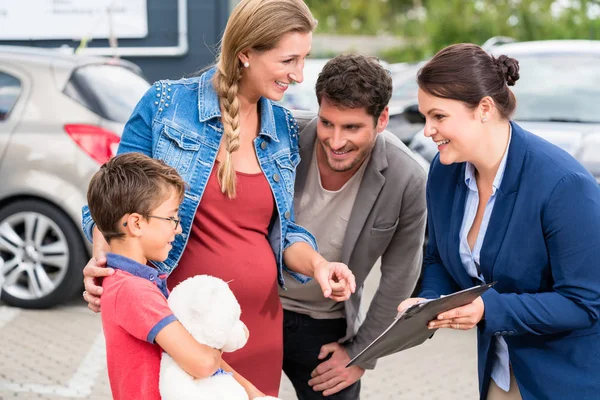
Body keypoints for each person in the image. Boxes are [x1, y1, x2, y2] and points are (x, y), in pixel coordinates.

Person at [80, 0, 356, 397]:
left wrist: (319, 265)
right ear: (246, 52)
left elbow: (283, 229)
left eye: (303, 59)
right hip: (180, 324)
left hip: (254, 328)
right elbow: (110, 201)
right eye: (288, 61)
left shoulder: (281, 125)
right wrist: (105, 264)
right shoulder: (166, 105)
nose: (298, 75)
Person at [398, 43, 600, 400]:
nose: (427, 130)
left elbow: (585, 302)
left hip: (569, 381)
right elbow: (439, 258)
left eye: (439, 116)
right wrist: (429, 302)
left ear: (485, 109)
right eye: (426, 116)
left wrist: (486, 309)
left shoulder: (563, 185)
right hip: (499, 375)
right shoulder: (444, 174)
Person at [282, 54, 427, 399]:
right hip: (255, 309)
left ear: (382, 120)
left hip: (325, 324)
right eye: (327, 123)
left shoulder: (408, 178)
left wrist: (362, 353)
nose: (335, 140)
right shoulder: (282, 137)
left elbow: (399, 277)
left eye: (351, 127)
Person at [86, 152, 223, 399]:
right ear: (136, 224)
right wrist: (221, 337)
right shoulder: (134, 290)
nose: (178, 228)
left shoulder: (133, 282)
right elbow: (202, 363)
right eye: (171, 217)